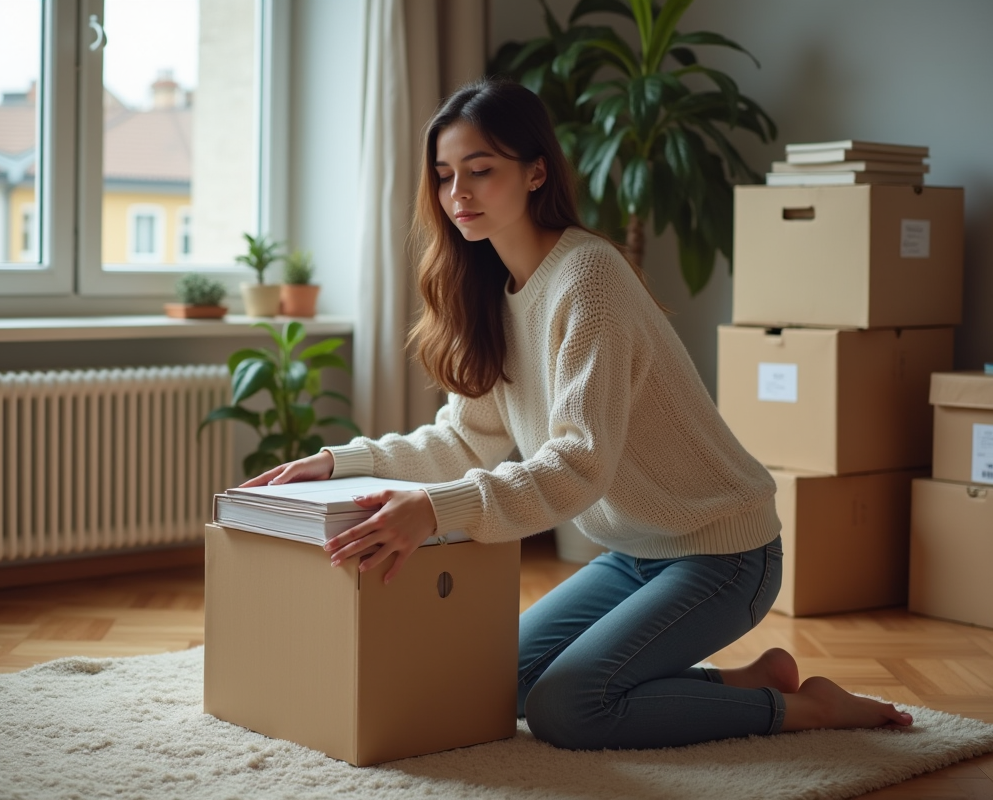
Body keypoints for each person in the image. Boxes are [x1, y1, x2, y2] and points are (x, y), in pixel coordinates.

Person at [242, 77, 912, 750]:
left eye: (480, 171)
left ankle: (809, 711)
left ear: (536, 172)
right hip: (633, 552)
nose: (458, 195)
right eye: (445, 176)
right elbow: (461, 439)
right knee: (494, 680)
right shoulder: (492, 294)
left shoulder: (588, 277)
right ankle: (749, 683)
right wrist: (337, 463)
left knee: (569, 708)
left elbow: (576, 466)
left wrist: (434, 509)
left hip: (723, 552)